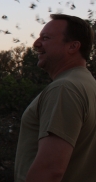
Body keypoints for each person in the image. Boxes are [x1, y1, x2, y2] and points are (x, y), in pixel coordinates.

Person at [14, 14, 96, 182]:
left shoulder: (64, 88)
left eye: (45, 38)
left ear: (73, 46)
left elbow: (50, 171)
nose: (36, 44)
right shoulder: (88, 84)